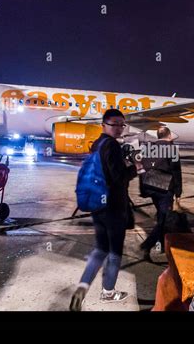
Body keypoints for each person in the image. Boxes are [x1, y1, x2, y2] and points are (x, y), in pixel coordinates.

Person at [70, 109, 142, 311]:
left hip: (97, 204)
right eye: (115, 124)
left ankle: (83, 285)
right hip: (112, 207)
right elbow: (118, 178)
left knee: (100, 248)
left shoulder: (98, 143)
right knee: (115, 252)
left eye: (122, 124)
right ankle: (108, 292)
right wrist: (136, 168)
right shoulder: (111, 146)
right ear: (104, 124)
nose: (119, 128)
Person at [139, 126, 182, 259]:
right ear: (169, 136)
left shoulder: (148, 148)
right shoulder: (172, 149)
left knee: (161, 215)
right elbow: (176, 172)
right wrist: (178, 192)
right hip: (165, 187)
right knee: (164, 219)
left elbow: (143, 168)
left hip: (151, 186)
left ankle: (162, 244)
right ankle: (148, 244)